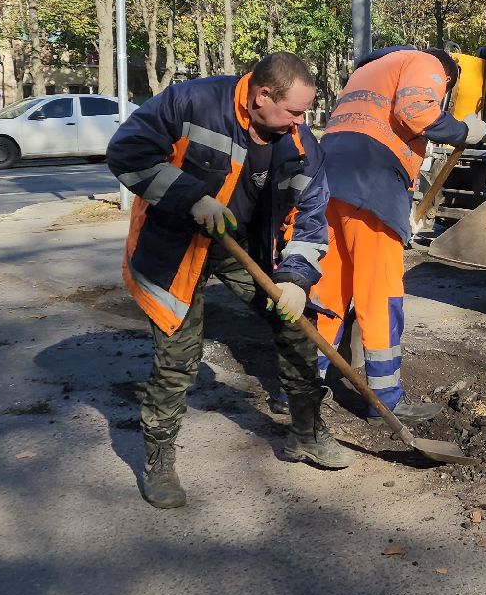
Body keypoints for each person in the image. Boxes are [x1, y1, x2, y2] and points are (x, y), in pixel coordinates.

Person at [106, 52, 345, 510]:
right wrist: (190, 198)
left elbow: (311, 217)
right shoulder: (192, 103)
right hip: (174, 247)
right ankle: (159, 459)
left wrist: (295, 280)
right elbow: (127, 151)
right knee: (179, 358)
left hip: (245, 248)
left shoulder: (301, 145)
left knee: (297, 326)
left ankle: (306, 433)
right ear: (262, 96)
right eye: (294, 111)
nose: (301, 122)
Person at [314, 46, 486, 425]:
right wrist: (464, 131)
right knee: (380, 294)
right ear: (447, 76)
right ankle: (385, 399)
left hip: (328, 182)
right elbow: (416, 111)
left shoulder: (371, 70)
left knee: (329, 291)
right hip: (370, 184)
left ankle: (302, 385)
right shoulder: (426, 62)